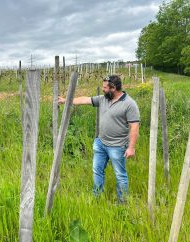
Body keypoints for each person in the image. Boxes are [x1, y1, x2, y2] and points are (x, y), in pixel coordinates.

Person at [58, 75, 140, 204]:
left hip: (117, 146)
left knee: (120, 175)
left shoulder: (129, 104)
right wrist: (66, 100)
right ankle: (97, 198)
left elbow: (134, 126)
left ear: (113, 88)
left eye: (105, 88)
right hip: (101, 143)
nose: (103, 90)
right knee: (97, 171)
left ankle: (123, 203)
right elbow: (85, 100)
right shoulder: (103, 99)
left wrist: (131, 148)